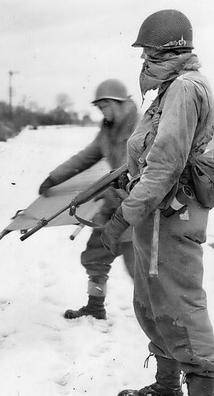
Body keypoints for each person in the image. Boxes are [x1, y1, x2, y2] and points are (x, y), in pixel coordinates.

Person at [101, 10, 214, 396]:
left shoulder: (185, 88)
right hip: (158, 216)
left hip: (172, 215)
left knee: (182, 308)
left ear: (168, 50)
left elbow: (167, 165)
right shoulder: (171, 89)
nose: (142, 59)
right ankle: (166, 387)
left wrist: (122, 216)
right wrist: (130, 172)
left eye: (148, 51)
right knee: (154, 303)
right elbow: (156, 154)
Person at [38, 79, 138, 320]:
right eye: (100, 107)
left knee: (140, 270)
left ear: (120, 104)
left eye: (106, 106)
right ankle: (95, 306)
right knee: (95, 256)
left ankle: (162, 319)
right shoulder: (106, 133)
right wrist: (54, 178)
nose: (102, 112)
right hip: (112, 207)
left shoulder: (142, 129)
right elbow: (84, 158)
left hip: (136, 212)